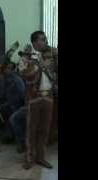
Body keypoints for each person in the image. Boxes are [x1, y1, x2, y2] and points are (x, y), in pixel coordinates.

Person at [18, 30, 58, 170]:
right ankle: (29, 157)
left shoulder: (53, 53)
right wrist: (26, 57)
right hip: (34, 97)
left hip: (49, 96)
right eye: (42, 39)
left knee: (44, 129)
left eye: (46, 39)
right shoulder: (27, 56)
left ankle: (41, 157)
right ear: (34, 42)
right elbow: (22, 72)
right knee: (31, 129)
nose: (45, 41)